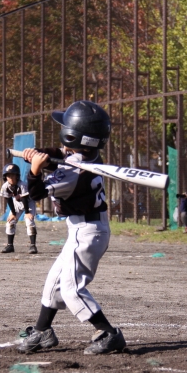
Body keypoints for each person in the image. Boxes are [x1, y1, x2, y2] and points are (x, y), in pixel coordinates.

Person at [18, 100, 126, 355]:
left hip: (88, 232)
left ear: (72, 135)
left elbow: (36, 193)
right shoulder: (88, 157)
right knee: (54, 281)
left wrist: (34, 171)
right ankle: (42, 330)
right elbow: (60, 155)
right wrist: (39, 154)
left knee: (70, 289)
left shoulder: (72, 174)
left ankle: (109, 334)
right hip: (84, 229)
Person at [0, 163, 37, 254]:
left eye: (13, 175)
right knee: (10, 222)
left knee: (29, 221)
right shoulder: (5, 186)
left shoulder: (22, 185)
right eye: (8, 176)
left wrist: (27, 212)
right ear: (5, 177)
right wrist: (13, 213)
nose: (11, 178)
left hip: (28, 203)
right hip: (17, 202)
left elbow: (24, 199)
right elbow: (9, 199)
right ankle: (10, 245)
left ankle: (33, 246)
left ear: (17, 176)